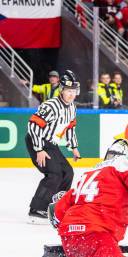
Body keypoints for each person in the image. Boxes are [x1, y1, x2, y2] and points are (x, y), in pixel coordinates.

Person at [26, 70, 81, 223]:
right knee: (54, 174)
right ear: (61, 90)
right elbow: (33, 126)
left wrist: (74, 147)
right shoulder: (50, 105)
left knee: (67, 173)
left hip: (51, 143)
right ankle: (37, 210)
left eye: (73, 91)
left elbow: (70, 128)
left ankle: (57, 206)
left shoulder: (72, 108)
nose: (71, 94)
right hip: (37, 140)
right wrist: (39, 149)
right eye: (68, 91)